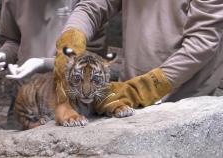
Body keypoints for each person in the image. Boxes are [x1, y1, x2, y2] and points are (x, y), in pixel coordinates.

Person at [53, 0, 223, 121]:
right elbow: (93, 6)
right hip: (128, 93)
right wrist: (71, 39)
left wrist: (142, 89)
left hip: (185, 101)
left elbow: (201, 43)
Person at [0, 0, 107, 128]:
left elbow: (94, 57)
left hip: (72, 94)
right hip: (26, 98)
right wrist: (3, 56)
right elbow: (14, 42)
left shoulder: (88, 4)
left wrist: (43, 63)